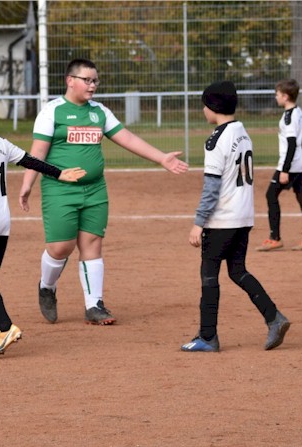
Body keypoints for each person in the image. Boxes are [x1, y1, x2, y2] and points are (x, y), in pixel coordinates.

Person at [18, 58, 188, 325]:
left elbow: (127, 138)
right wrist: (28, 184)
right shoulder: (52, 112)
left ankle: (94, 305)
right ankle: (47, 287)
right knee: (61, 246)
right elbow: (37, 151)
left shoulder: (99, 112)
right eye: (87, 80)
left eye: (95, 80)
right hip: (60, 189)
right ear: (70, 80)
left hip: (95, 190)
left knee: (92, 244)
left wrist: (161, 158)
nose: (92, 85)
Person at [0, 97, 86, 358]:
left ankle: (5, 327)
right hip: (2, 223)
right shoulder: (0, 144)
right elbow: (31, 161)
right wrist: (59, 173)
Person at [182, 80, 291, 352]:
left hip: (222, 219)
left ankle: (208, 337)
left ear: (212, 106)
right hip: (244, 217)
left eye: (204, 105)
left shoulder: (216, 140)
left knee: (209, 275)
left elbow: (211, 188)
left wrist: (199, 223)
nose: (203, 111)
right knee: (237, 271)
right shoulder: (242, 131)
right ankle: (273, 317)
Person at [256, 78, 302, 252]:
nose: (276, 97)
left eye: (277, 94)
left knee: (270, 195)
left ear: (285, 96)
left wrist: (284, 170)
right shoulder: (298, 112)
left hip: (292, 164)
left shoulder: (289, 117)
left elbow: (291, 144)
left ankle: (275, 238)